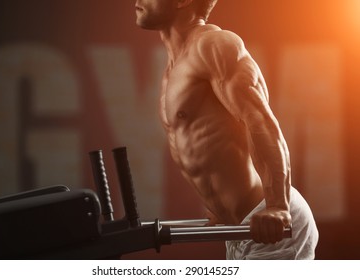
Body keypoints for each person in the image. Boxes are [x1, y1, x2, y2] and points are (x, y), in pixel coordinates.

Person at [134, 0, 318, 259]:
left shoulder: (214, 46)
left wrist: (277, 206)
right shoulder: (174, 65)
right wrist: (220, 208)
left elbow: (260, 121)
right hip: (238, 229)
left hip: (270, 225)